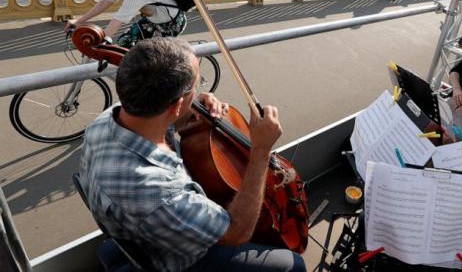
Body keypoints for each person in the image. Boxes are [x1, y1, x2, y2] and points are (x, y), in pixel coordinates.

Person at [78, 38, 305, 272]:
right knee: (293, 266)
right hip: (179, 260)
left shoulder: (105, 120)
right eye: (196, 87)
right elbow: (236, 233)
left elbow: (162, 120)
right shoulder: (162, 193)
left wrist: (193, 105)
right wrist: (260, 151)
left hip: (135, 231)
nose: (198, 94)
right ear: (175, 106)